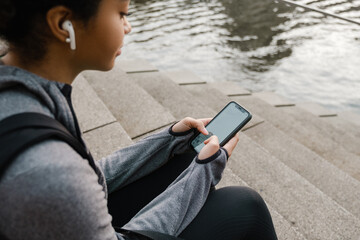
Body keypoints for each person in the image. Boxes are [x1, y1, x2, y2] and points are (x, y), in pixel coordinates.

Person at [0, 0, 278, 239]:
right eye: (122, 14)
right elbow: (70, 180)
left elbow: (89, 175)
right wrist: (206, 169)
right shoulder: (48, 169)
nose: (128, 26)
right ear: (63, 23)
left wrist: (168, 139)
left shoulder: (22, 90)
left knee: (180, 158)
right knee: (245, 206)